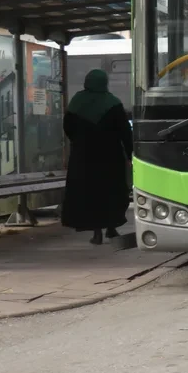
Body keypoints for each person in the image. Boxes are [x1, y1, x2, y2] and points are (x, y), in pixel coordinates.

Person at [61, 69, 133, 245]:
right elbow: (125, 131)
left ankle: (96, 232)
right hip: (110, 157)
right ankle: (111, 227)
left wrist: (79, 142)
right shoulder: (113, 103)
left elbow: (67, 127)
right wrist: (131, 153)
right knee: (111, 191)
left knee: (90, 193)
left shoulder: (77, 102)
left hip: (83, 157)